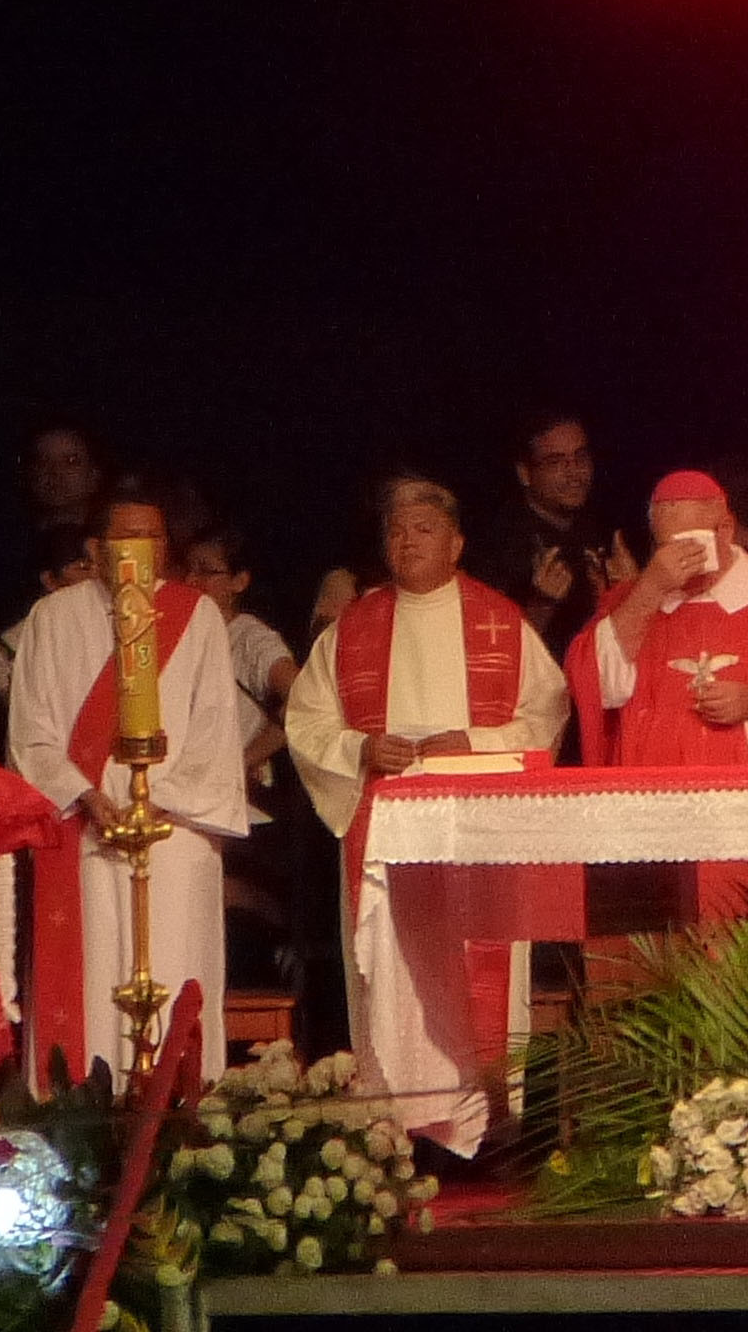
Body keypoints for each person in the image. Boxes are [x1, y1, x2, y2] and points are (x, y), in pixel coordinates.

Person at [287, 476, 568, 1150]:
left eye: (423, 528)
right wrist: (360, 746)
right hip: (386, 828)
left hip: (476, 829)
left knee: (477, 967)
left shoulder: (500, 620)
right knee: (397, 977)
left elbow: (546, 714)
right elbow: (307, 721)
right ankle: (397, 1129)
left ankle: (488, 1126)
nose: (406, 540)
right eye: (396, 530)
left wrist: (474, 741)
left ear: (457, 542)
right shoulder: (352, 629)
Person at [7, 482, 246, 1079]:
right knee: (94, 973)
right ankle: (82, 1113)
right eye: (125, 537)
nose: (140, 549)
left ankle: (177, 1112)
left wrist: (155, 802)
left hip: (176, 827)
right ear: (95, 548)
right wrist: (91, 798)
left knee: (174, 961)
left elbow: (217, 731)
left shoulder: (197, 617)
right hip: (84, 825)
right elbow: (31, 733)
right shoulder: (52, 618)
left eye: (152, 537)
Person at [569, 471, 748, 767]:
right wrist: (649, 590)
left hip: (745, 799)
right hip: (649, 796)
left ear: (725, 529)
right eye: (667, 545)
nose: (677, 558)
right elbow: (590, 685)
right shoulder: (631, 598)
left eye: (691, 542)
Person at [469, 411, 632, 668]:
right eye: (556, 462)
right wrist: (541, 606)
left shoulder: (602, 527)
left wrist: (628, 591)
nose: (574, 472)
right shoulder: (497, 544)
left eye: (580, 457)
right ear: (525, 473)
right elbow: (490, 655)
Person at [185, 527, 298, 795]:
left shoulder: (249, 637)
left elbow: (304, 698)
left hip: (235, 795)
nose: (191, 580)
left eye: (206, 571)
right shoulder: (178, 635)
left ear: (239, 581)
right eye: (188, 569)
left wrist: (242, 761)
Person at [0, 523, 95, 708]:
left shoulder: (115, 627)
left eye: (99, 565)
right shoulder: (12, 645)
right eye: (83, 567)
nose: (96, 575)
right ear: (50, 580)